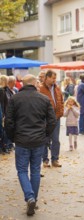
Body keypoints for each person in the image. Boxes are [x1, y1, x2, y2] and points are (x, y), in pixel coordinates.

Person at [5, 74, 57, 216]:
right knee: (35, 170)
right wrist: (45, 135)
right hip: (38, 140)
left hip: (21, 140)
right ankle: (33, 199)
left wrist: (12, 137)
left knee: (22, 170)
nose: (40, 85)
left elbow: (8, 121)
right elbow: (52, 121)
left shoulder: (15, 99)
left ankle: (30, 197)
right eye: (38, 83)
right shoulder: (44, 99)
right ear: (34, 84)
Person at [40, 70, 64, 167]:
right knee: (45, 139)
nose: (55, 80)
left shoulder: (57, 88)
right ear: (47, 77)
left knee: (56, 140)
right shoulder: (41, 89)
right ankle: (45, 160)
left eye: (55, 78)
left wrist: (60, 112)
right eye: (53, 78)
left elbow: (61, 101)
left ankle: (55, 159)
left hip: (56, 118)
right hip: (45, 119)